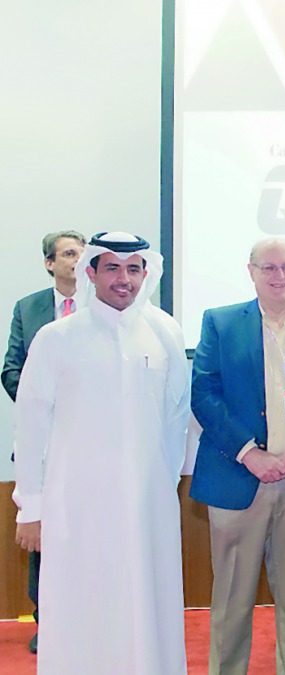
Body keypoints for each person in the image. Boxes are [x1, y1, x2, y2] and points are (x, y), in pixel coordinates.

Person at [13, 232, 191, 674]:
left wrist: (162, 485)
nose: (123, 279)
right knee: (82, 604)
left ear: (146, 274)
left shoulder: (165, 332)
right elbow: (30, 424)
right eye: (112, 267)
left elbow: (176, 418)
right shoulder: (57, 337)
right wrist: (30, 507)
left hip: (148, 507)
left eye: (133, 269)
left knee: (148, 603)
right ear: (90, 273)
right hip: (78, 506)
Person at [190, 237, 285, 675]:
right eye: (269, 268)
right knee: (231, 602)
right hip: (238, 478)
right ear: (251, 272)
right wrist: (249, 454)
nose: (280, 276)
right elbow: (204, 392)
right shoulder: (220, 323)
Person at [3, 229, 85, 654]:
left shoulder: (102, 306)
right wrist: (45, 405)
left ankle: (90, 618)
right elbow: (11, 370)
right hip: (44, 443)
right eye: (68, 253)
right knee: (43, 536)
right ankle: (47, 623)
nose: (77, 260)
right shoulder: (28, 308)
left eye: (82, 253)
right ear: (50, 263)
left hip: (90, 441)